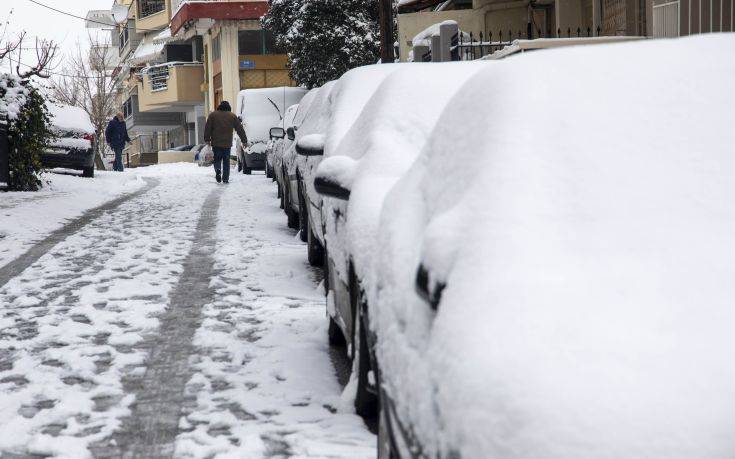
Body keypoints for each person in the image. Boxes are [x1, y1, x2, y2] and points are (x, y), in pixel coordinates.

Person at [203, 101, 247, 184]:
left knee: (217, 159)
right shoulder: (232, 116)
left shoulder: (213, 115)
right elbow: (239, 129)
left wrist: (207, 139)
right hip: (227, 144)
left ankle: (218, 170)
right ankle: (225, 178)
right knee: (226, 161)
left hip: (216, 143)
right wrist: (244, 140)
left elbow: (207, 128)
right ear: (228, 108)